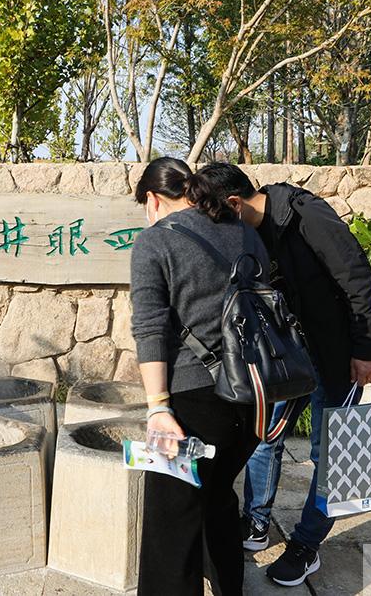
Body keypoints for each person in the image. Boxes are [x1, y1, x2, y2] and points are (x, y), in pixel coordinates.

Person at [197, 163, 371, 587]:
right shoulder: (249, 232)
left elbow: (357, 277)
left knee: (331, 455)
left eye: (216, 216)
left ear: (235, 203)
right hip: (285, 358)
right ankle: (256, 521)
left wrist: (367, 349)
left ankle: (306, 545)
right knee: (264, 437)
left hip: (335, 356)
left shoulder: (306, 215)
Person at [131, 157, 270, 596]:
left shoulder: (155, 241)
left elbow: (150, 329)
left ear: (153, 199)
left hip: (194, 401)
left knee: (170, 527)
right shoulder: (243, 231)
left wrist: (158, 408)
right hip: (253, 395)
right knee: (217, 498)